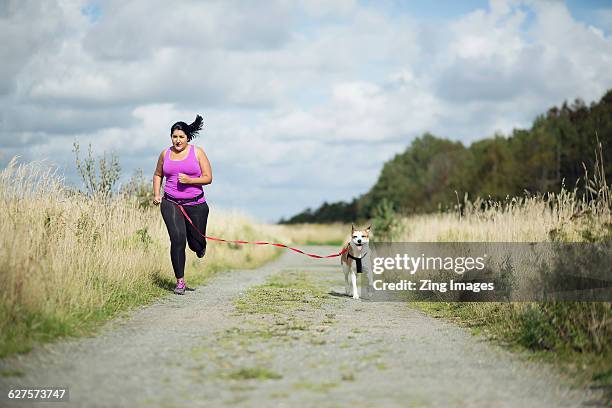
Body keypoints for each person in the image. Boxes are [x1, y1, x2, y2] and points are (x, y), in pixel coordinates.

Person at [152, 114, 212, 295]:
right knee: (178, 239)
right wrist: (157, 194)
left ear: (188, 138)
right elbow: (157, 174)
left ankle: (200, 246)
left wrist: (189, 180)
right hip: (171, 202)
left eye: (181, 137)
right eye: (174, 136)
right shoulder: (165, 153)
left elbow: (208, 178)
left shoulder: (198, 152)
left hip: (196, 204)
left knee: (195, 243)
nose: (177, 140)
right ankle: (180, 281)